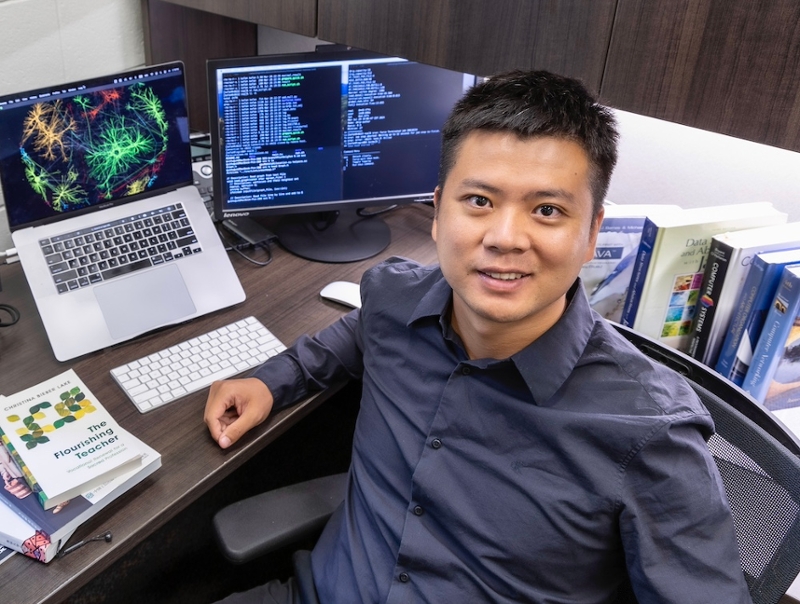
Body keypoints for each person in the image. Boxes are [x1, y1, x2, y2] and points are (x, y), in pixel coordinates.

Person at [205, 70, 751, 603]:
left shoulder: (649, 436)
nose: (505, 238)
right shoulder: (395, 301)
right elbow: (352, 334)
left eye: (547, 210)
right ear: (438, 212)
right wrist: (273, 381)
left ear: (591, 235)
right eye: (480, 202)